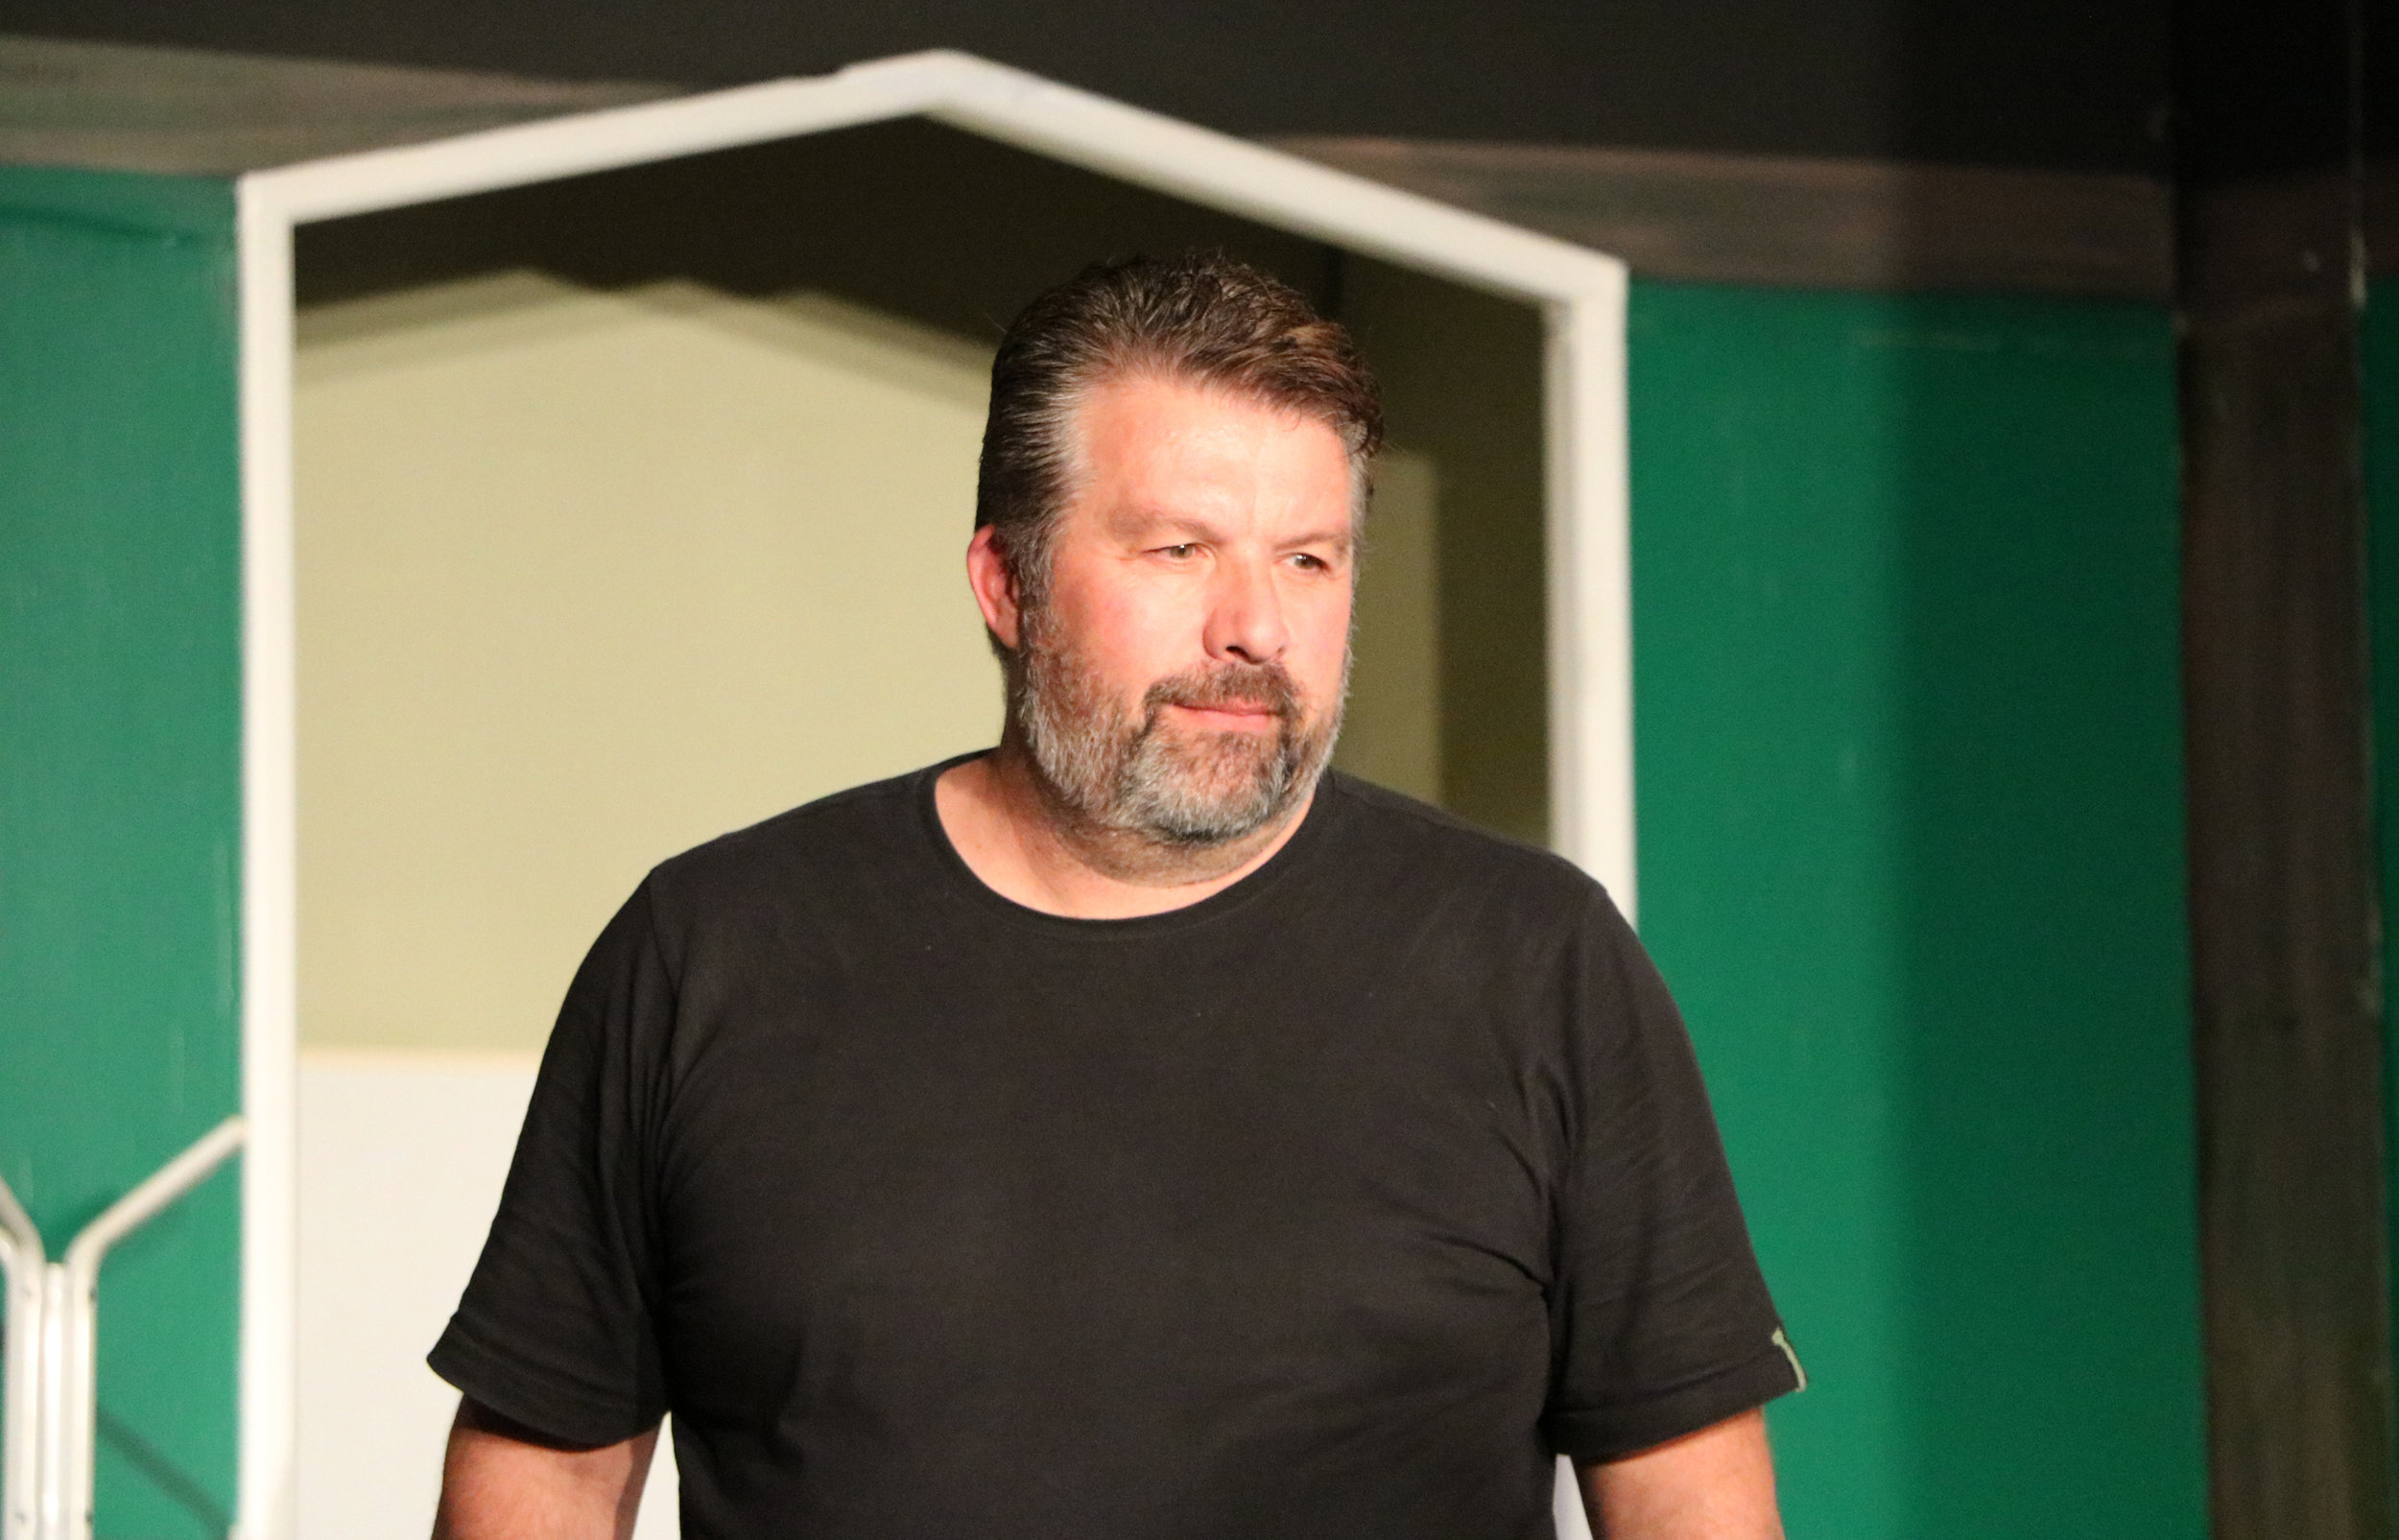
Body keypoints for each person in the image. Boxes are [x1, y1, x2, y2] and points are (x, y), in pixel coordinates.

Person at [428, 250, 1800, 1540]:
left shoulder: (1533, 962)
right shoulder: (713, 950)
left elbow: (1691, 1498)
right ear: (1006, 584)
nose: (1255, 628)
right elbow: (550, 1468)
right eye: (1178, 550)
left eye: (1309, 558)